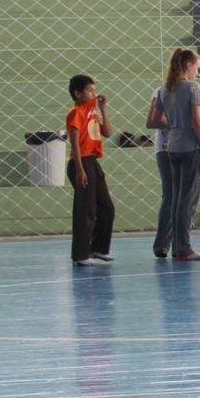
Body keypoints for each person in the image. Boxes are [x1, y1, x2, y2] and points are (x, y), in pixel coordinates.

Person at [153, 48, 200, 261]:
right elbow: (197, 121)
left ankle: (177, 246)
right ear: (188, 65)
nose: (198, 71)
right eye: (197, 67)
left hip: (172, 148)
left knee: (177, 199)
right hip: (190, 147)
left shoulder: (163, 90)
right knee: (188, 200)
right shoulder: (193, 88)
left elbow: (156, 120)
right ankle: (184, 248)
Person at [65, 74, 115, 266]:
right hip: (81, 162)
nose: (93, 93)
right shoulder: (75, 113)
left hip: (93, 162)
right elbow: (75, 143)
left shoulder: (92, 111)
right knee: (86, 210)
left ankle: (99, 248)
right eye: (89, 90)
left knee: (107, 208)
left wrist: (103, 109)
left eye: (94, 90)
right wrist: (80, 170)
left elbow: (108, 133)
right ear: (78, 93)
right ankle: (80, 254)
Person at [145, 87, 174, 258]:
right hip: (167, 148)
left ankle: (182, 243)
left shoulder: (193, 89)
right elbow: (152, 121)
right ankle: (162, 244)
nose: (197, 72)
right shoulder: (162, 92)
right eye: (196, 67)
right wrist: (180, 121)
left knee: (185, 197)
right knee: (170, 196)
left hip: (186, 147)